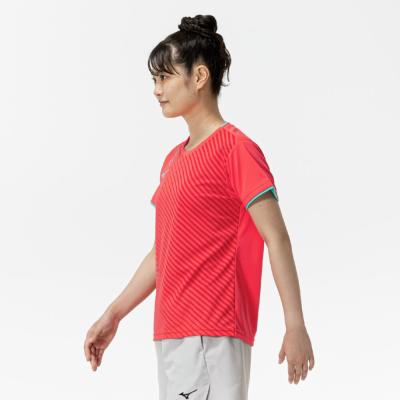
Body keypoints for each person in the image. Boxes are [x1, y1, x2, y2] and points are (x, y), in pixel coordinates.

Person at [84, 14, 315, 399]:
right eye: (154, 80)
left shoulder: (236, 149)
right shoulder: (173, 160)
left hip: (211, 332)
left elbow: (276, 238)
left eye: (165, 77)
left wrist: (295, 325)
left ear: (200, 76)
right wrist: (114, 314)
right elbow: (163, 251)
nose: (157, 90)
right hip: (172, 333)